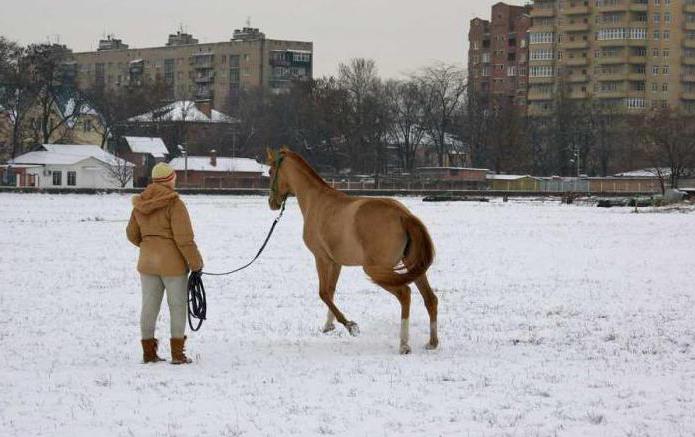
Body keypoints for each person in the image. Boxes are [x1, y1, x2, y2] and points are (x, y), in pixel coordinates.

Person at [126, 163, 203, 364]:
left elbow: (131, 234)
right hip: (173, 266)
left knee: (149, 307)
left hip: (147, 264)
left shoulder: (139, 203)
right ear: (170, 179)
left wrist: (148, 245)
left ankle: (148, 353)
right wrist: (196, 264)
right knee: (177, 307)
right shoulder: (175, 204)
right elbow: (184, 239)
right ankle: (177, 355)